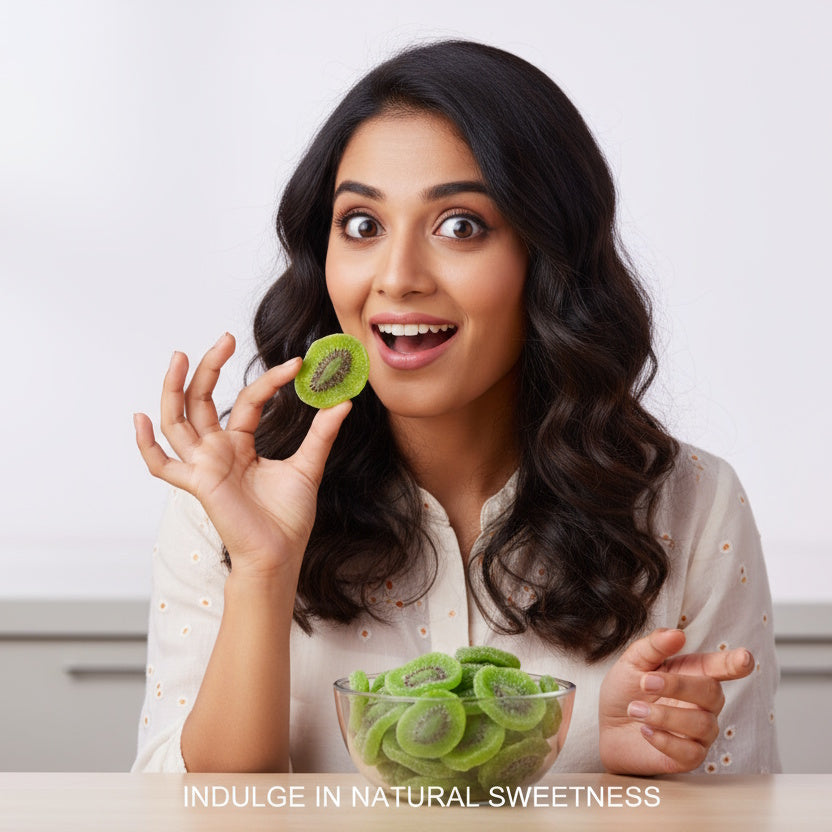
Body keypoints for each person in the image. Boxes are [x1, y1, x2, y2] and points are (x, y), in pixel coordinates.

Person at [131, 39, 780, 775]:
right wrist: (261, 569)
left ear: (548, 259)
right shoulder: (231, 498)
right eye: (363, 226)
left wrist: (628, 776)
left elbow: (747, 803)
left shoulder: (691, 506)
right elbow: (189, 818)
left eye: (460, 226)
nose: (398, 277)